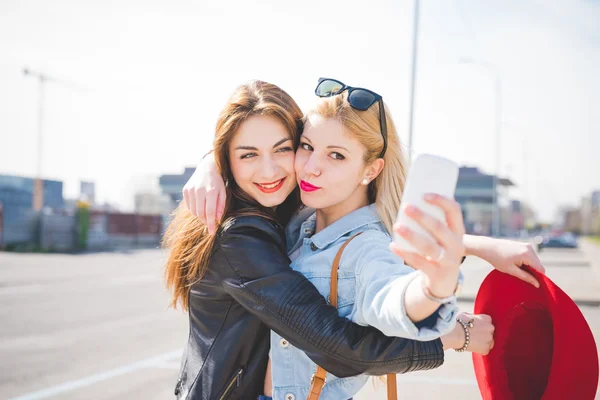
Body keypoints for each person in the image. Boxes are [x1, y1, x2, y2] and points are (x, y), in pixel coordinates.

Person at [181, 79, 546, 400]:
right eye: (306, 146)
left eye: (335, 155)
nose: (309, 166)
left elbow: (389, 295)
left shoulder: (356, 243)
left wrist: (437, 288)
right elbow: (340, 344)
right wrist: (213, 163)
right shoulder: (283, 221)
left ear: (370, 170)